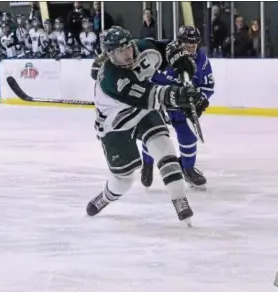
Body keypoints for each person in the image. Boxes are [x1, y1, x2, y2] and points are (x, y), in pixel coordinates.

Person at [86, 26, 207, 225]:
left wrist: (180, 59)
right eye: (120, 51)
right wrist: (178, 96)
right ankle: (106, 197)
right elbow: (149, 95)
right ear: (109, 54)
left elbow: (169, 48)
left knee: (163, 145)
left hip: (143, 112)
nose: (128, 53)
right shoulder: (111, 77)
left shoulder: (142, 49)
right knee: (123, 180)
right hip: (115, 123)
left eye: (128, 47)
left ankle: (179, 198)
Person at [140, 26, 214, 190]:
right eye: (187, 44)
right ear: (179, 43)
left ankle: (187, 168)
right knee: (153, 135)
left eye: (194, 44)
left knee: (188, 136)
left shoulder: (201, 59)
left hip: (181, 104)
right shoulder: (163, 53)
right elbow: (146, 79)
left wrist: (200, 100)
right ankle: (147, 164)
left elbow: (208, 85)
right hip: (158, 100)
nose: (192, 48)